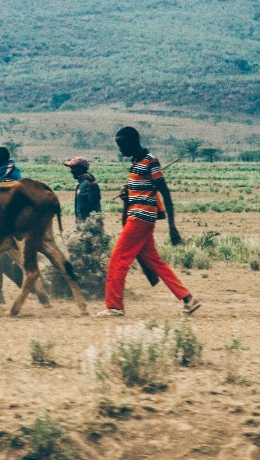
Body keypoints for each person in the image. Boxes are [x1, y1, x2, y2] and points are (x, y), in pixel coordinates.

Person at [103, 125, 200, 316]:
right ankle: (189, 299)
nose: (120, 150)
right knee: (154, 261)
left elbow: (165, 193)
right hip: (141, 219)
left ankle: (114, 307)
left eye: (122, 145)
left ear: (132, 142)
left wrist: (172, 227)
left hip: (140, 219)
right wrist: (128, 193)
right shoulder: (136, 163)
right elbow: (142, 191)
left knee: (118, 259)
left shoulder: (150, 162)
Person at [65, 157, 100, 223]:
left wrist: (89, 224)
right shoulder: (82, 184)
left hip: (89, 225)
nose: (71, 171)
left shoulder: (89, 184)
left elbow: (94, 207)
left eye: (73, 168)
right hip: (84, 224)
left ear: (80, 169)